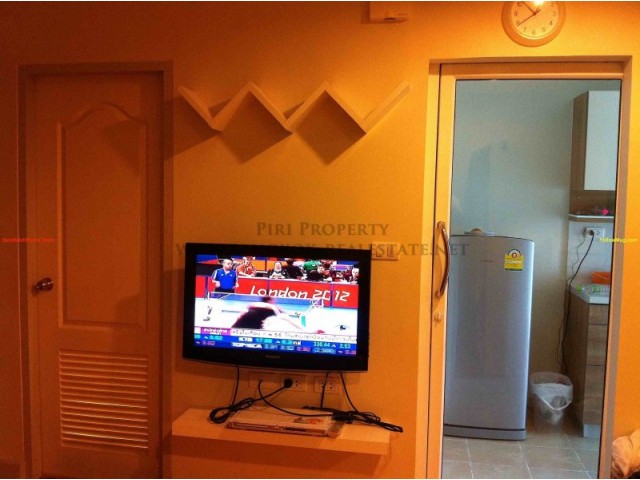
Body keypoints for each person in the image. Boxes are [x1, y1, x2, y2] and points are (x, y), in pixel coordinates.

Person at [232, 296, 303, 331]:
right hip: (254, 327)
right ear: (269, 301)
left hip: (238, 326)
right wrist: (302, 329)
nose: (274, 302)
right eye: (273, 301)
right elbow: (286, 317)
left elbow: (240, 315)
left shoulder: (252, 305)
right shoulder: (272, 307)